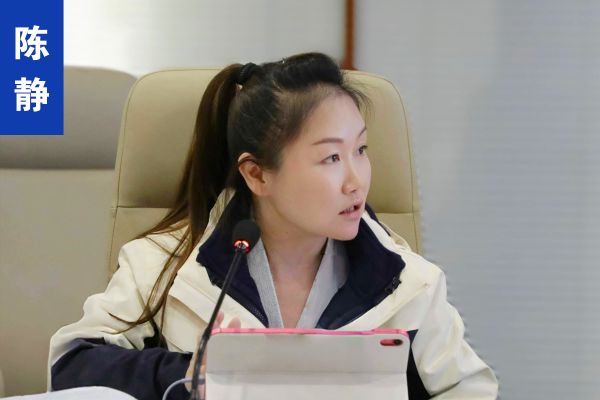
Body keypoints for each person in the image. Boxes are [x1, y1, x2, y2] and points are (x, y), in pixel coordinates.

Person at [47, 52, 498, 400]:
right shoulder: (166, 264)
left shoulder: (410, 283)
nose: (356, 180)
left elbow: (469, 390)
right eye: (331, 157)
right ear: (257, 174)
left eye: (360, 150)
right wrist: (189, 374)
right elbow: (70, 365)